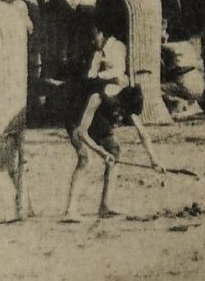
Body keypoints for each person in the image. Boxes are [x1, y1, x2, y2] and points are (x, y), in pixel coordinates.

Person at [62, 77, 164, 220]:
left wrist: (155, 160)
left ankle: (105, 206)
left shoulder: (128, 99)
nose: (121, 119)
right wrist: (101, 152)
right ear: (118, 102)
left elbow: (143, 134)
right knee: (85, 158)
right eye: (121, 113)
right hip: (77, 121)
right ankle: (70, 210)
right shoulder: (98, 97)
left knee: (115, 152)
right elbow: (82, 133)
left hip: (99, 123)